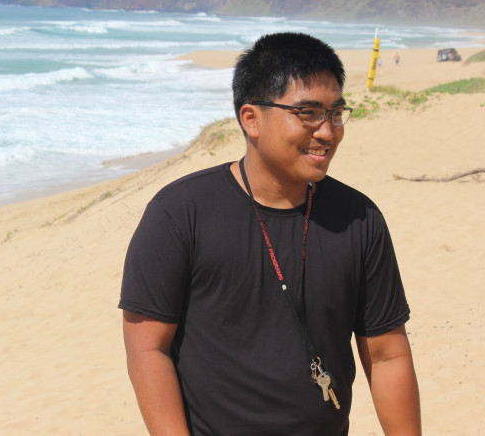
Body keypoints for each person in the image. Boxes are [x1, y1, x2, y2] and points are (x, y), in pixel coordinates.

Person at [119, 33, 420, 435]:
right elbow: (146, 348)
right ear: (251, 119)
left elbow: (387, 356)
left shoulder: (359, 219)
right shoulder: (179, 213)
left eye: (335, 112)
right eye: (308, 112)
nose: (327, 131)